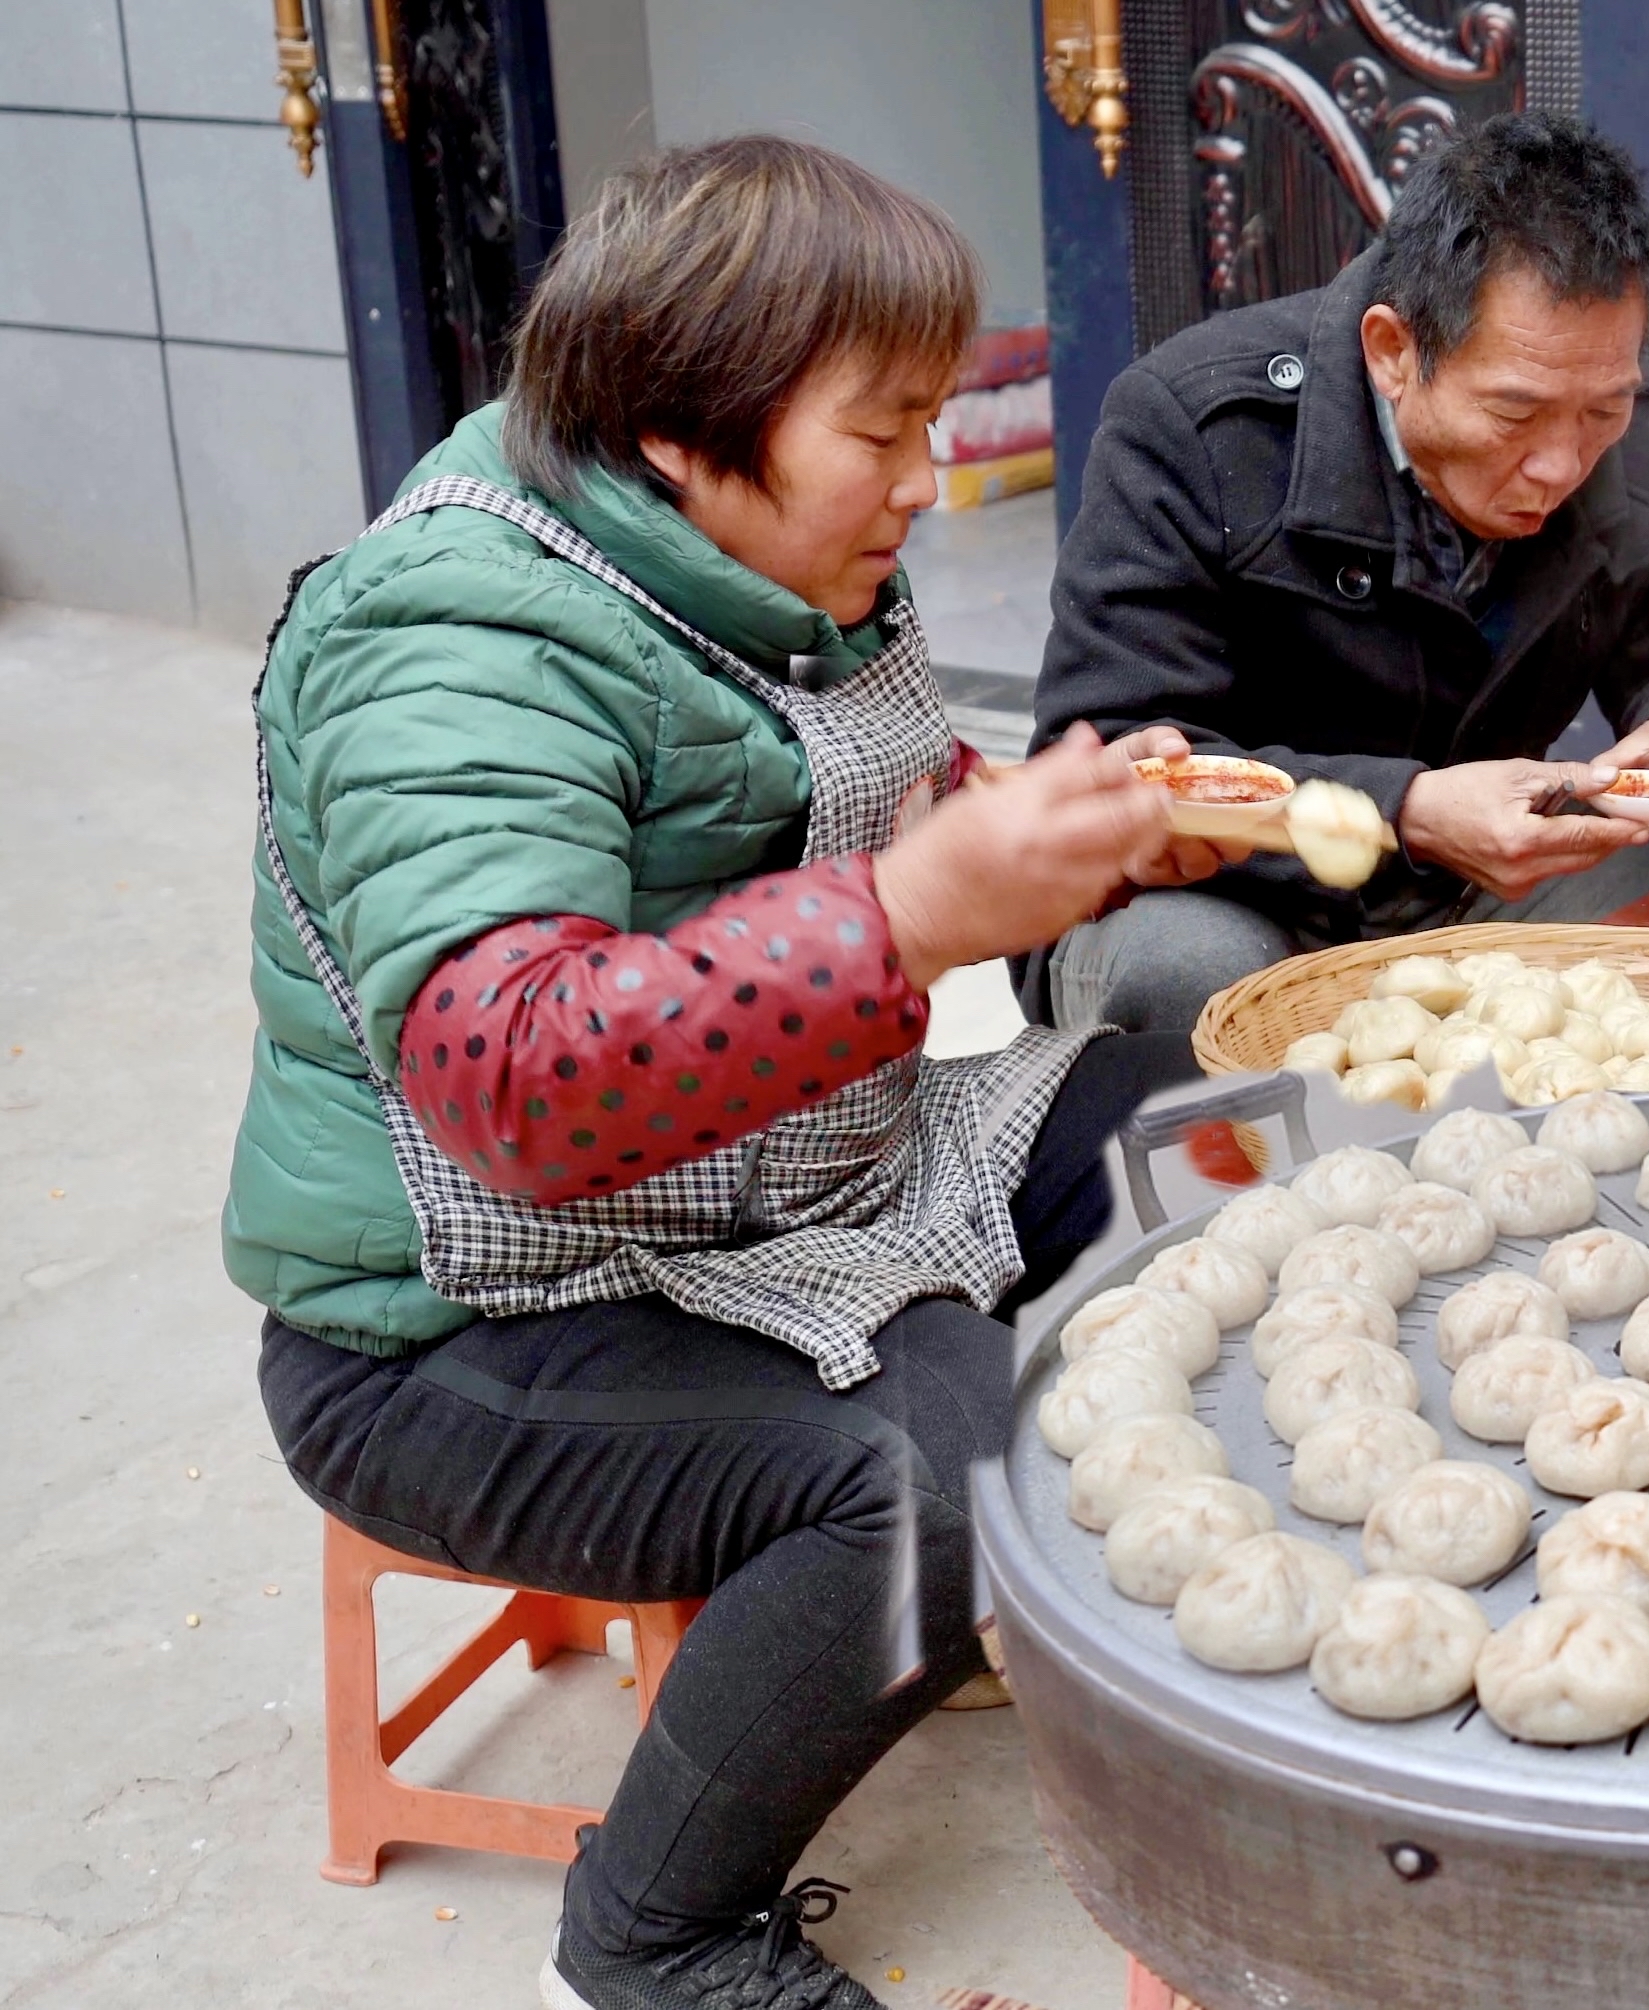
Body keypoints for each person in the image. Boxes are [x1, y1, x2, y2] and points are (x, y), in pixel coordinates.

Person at [230, 139, 1247, 2010]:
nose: (930, 485)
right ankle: (655, 1935)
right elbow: (510, 1078)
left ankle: (1089, 1621)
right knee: (947, 1461)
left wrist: (1041, 833)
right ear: (687, 433)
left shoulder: (759, 558)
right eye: (887, 433)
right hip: (464, 1318)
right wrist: (915, 912)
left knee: (1211, 1128)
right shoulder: (450, 635)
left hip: (782, 1170)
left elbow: (807, 803)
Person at [1033, 111, 1649, 1032]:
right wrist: (1405, 810)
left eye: (1602, 410)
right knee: (1193, 971)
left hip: (1472, 892)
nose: (1562, 464)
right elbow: (1119, 757)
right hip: (1234, 895)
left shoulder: (1621, 427)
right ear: (1392, 350)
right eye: (1515, 413)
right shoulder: (1194, 427)